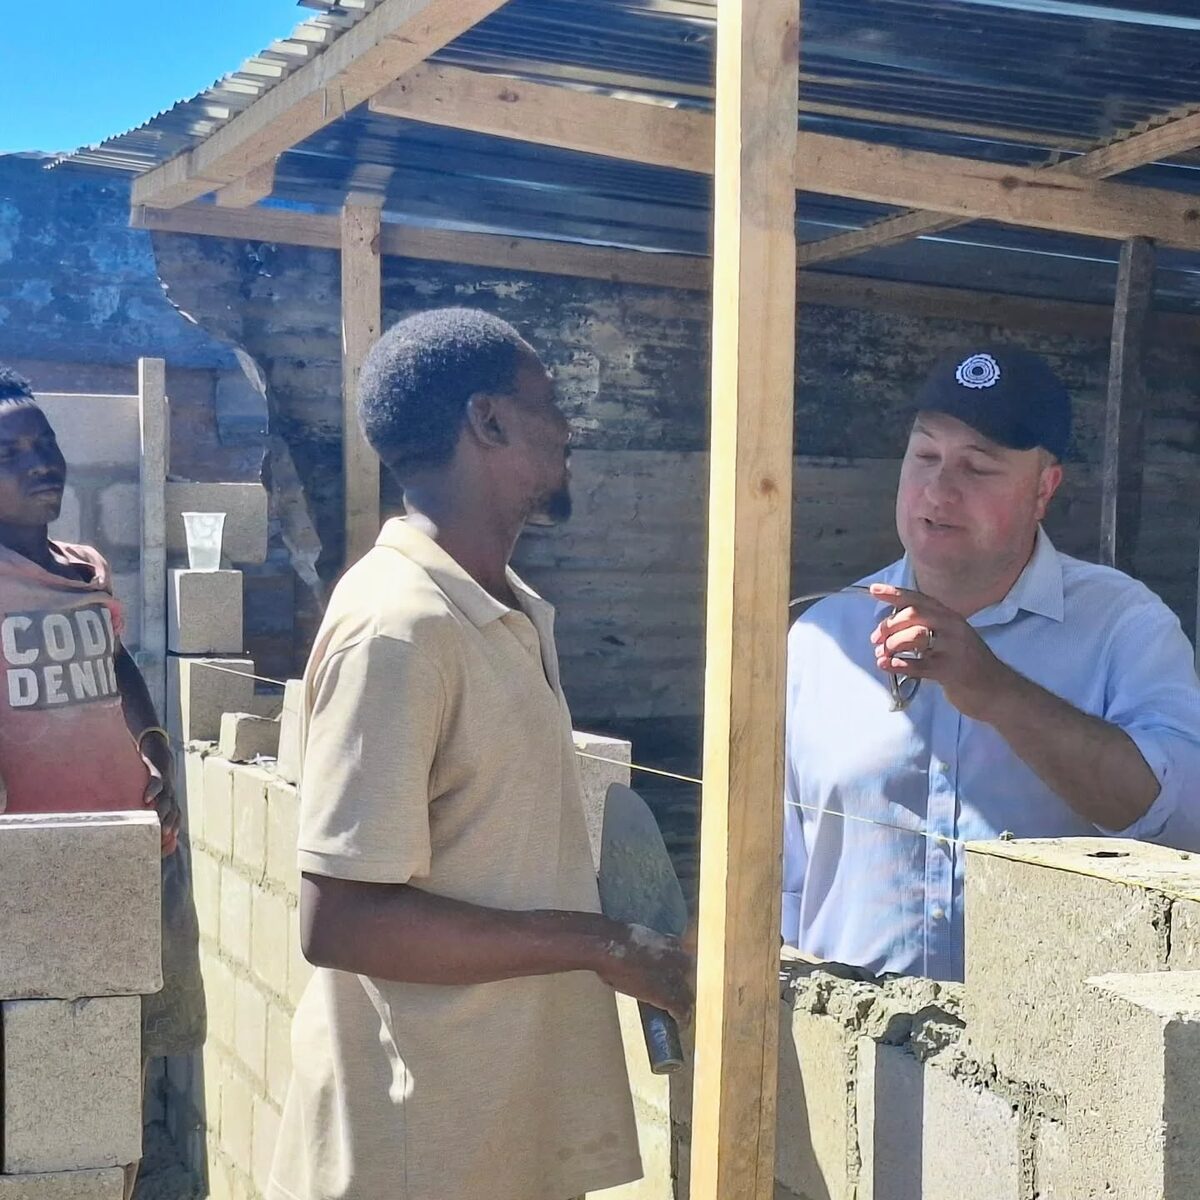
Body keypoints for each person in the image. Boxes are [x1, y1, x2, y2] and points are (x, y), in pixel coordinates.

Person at [268, 308, 693, 1200]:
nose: (568, 428)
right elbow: (340, 919)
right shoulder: (399, 627)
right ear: (489, 421)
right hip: (419, 1151)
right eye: (549, 403)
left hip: (494, 1135)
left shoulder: (497, 610)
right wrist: (602, 944)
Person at [782, 345, 1200, 982]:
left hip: (1046, 1038)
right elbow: (781, 873)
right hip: (849, 1034)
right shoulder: (822, 638)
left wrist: (998, 692)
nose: (938, 490)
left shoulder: (1124, 625)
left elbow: (1182, 825)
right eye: (925, 456)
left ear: (1044, 489)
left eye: (977, 467)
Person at [0, 364, 205, 1195]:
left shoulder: (83, 566)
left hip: (135, 851)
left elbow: (117, 662)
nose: (39, 462)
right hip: (36, 875)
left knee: (126, 1063)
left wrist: (155, 750)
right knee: (40, 1076)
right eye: (10, 453)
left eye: (43, 443)